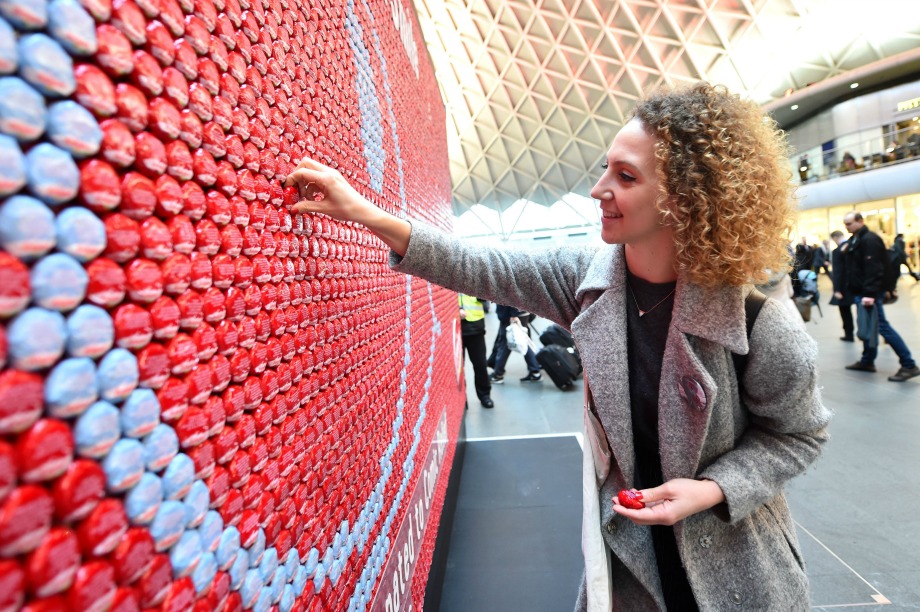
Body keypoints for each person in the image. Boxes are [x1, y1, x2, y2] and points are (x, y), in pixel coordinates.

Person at [285, 82, 831, 610]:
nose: (599, 189)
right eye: (605, 168)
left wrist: (713, 489)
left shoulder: (760, 323)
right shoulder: (587, 282)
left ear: (685, 201)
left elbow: (799, 436)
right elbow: (481, 267)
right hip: (629, 566)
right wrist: (362, 213)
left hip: (739, 570)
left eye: (625, 176)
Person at [842, 212, 920, 382]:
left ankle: (909, 364)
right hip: (861, 292)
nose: (846, 227)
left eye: (849, 223)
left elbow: (874, 268)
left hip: (867, 293)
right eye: (845, 224)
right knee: (868, 327)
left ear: (860, 221)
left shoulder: (869, 239)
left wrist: (870, 293)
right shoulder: (856, 239)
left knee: (882, 327)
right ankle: (867, 361)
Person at [489, 304, 542, 384]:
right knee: (522, 341)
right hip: (520, 312)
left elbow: (512, 295)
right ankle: (535, 372)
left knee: (506, 343)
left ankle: (498, 375)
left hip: (513, 314)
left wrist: (514, 314)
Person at [458, 293, 494, 408]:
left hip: (476, 327)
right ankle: (462, 399)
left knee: (480, 365)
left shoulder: (473, 277)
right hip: (456, 328)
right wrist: (456, 310)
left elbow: (486, 297)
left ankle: (485, 395)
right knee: (459, 368)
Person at [829, 230, 854, 341]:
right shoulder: (852, 246)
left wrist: (837, 289)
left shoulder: (838, 251)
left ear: (835, 238)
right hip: (856, 284)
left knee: (845, 311)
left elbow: (838, 272)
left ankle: (849, 334)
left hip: (844, 287)